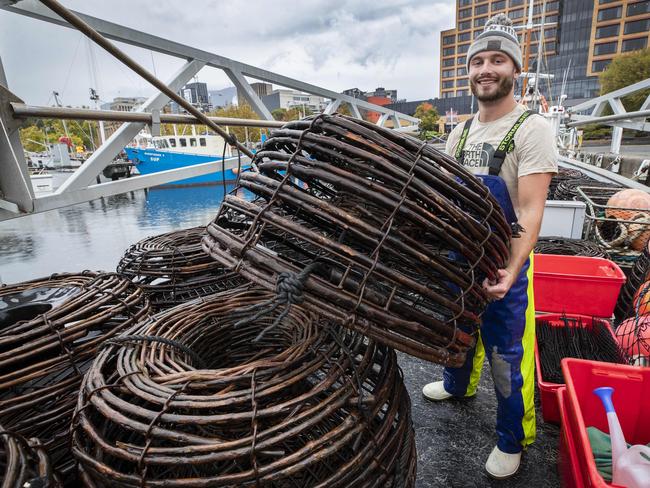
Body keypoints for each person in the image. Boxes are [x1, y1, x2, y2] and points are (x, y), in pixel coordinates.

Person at [421, 13, 558, 479]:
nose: (486, 68)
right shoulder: (457, 134)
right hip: (460, 259)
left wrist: (513, 269)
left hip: (507, 260)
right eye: (478, 60)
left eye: (497, 60)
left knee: (506, 352)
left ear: (514, 70)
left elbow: (530, 210)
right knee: (457, 331)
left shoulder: (531, 129)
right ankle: (457, 386)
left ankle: (510, 439)